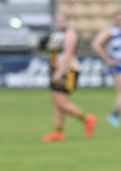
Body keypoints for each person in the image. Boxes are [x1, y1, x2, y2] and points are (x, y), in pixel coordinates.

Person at [41, 13, 96, 143]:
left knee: (61, 102)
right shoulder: (56, 35)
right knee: (57, 102)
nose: (59, 23)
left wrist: (59, 72)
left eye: (62, 21)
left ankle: (86, 118)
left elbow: (68, 54)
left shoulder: (69, 34)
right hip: (57, 70)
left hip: (67, 71)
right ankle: (58, 131)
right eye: (57, 21)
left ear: (67, 21)